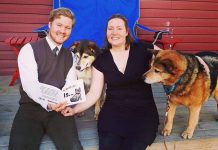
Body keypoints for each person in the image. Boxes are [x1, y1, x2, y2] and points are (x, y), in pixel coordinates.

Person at [61, 14, 159, 150]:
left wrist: (197, 61)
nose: (114, 32)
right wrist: (74, 109)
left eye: (119, 28)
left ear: (126, 32)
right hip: (113, 113)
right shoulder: (101, 59)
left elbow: (171, 59)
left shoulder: (144, 49)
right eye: (110, 28)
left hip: (143, 113)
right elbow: (94, 93)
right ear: (106, 32)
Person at [9, 8, 83, 150]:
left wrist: (67, 102)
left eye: (67, 27)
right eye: (59, 25)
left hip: (59, 109)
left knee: (73, 147)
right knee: (19, 147)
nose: (63, 30)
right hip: (31, 107)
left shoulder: (70, 56)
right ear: (49, 25)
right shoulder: (29, 49)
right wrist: (47, 103)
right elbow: (30, 85)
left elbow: (71, 83)